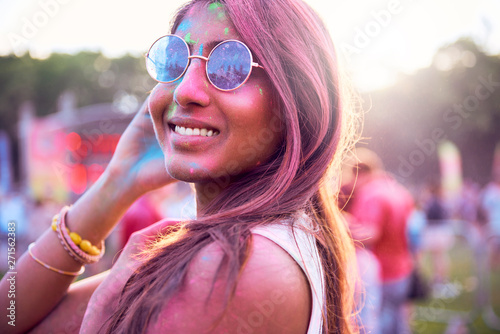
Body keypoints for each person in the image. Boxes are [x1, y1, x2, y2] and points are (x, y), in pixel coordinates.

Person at [0, 0, 361, 333]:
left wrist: (100, 321)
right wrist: (118, 181)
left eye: (230, 65)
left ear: (296, 104)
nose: (183, 90)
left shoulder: (236, 264)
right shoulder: (279, 237)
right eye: (175, 59)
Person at [344, 147, 414, 334]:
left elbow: (371, 234)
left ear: (359, 172)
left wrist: (338, 228)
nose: (350, 184)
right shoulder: (398, 190)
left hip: (382, 273)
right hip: (403, 269)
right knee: (399, 323)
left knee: (377, 323)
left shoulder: (370, 194)